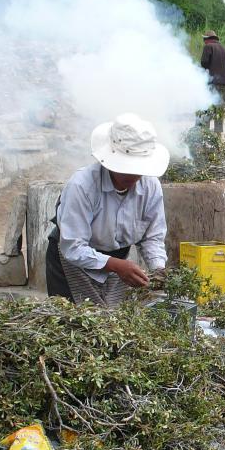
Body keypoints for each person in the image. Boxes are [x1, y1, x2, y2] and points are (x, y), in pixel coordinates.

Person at [46, 113, 169, 307]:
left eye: (138, 169)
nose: (132, 174)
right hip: (71, 261)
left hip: (118, 261)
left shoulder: (150, 188)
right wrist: (116, 266)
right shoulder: (82, 186)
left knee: (111, 324)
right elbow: (73, 247)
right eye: (126, 167)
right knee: (74, 325)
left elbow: (152, 237)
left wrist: (158, 269)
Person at [199, 30, 225, 134]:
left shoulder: (208, 47)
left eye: (204, 39)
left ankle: (206, 133)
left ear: (207, 39)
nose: (204, 41)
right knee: (219, 110)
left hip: (212, 83)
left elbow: (204, 63)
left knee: (208, 107)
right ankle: (218, 133)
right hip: (224, 84)